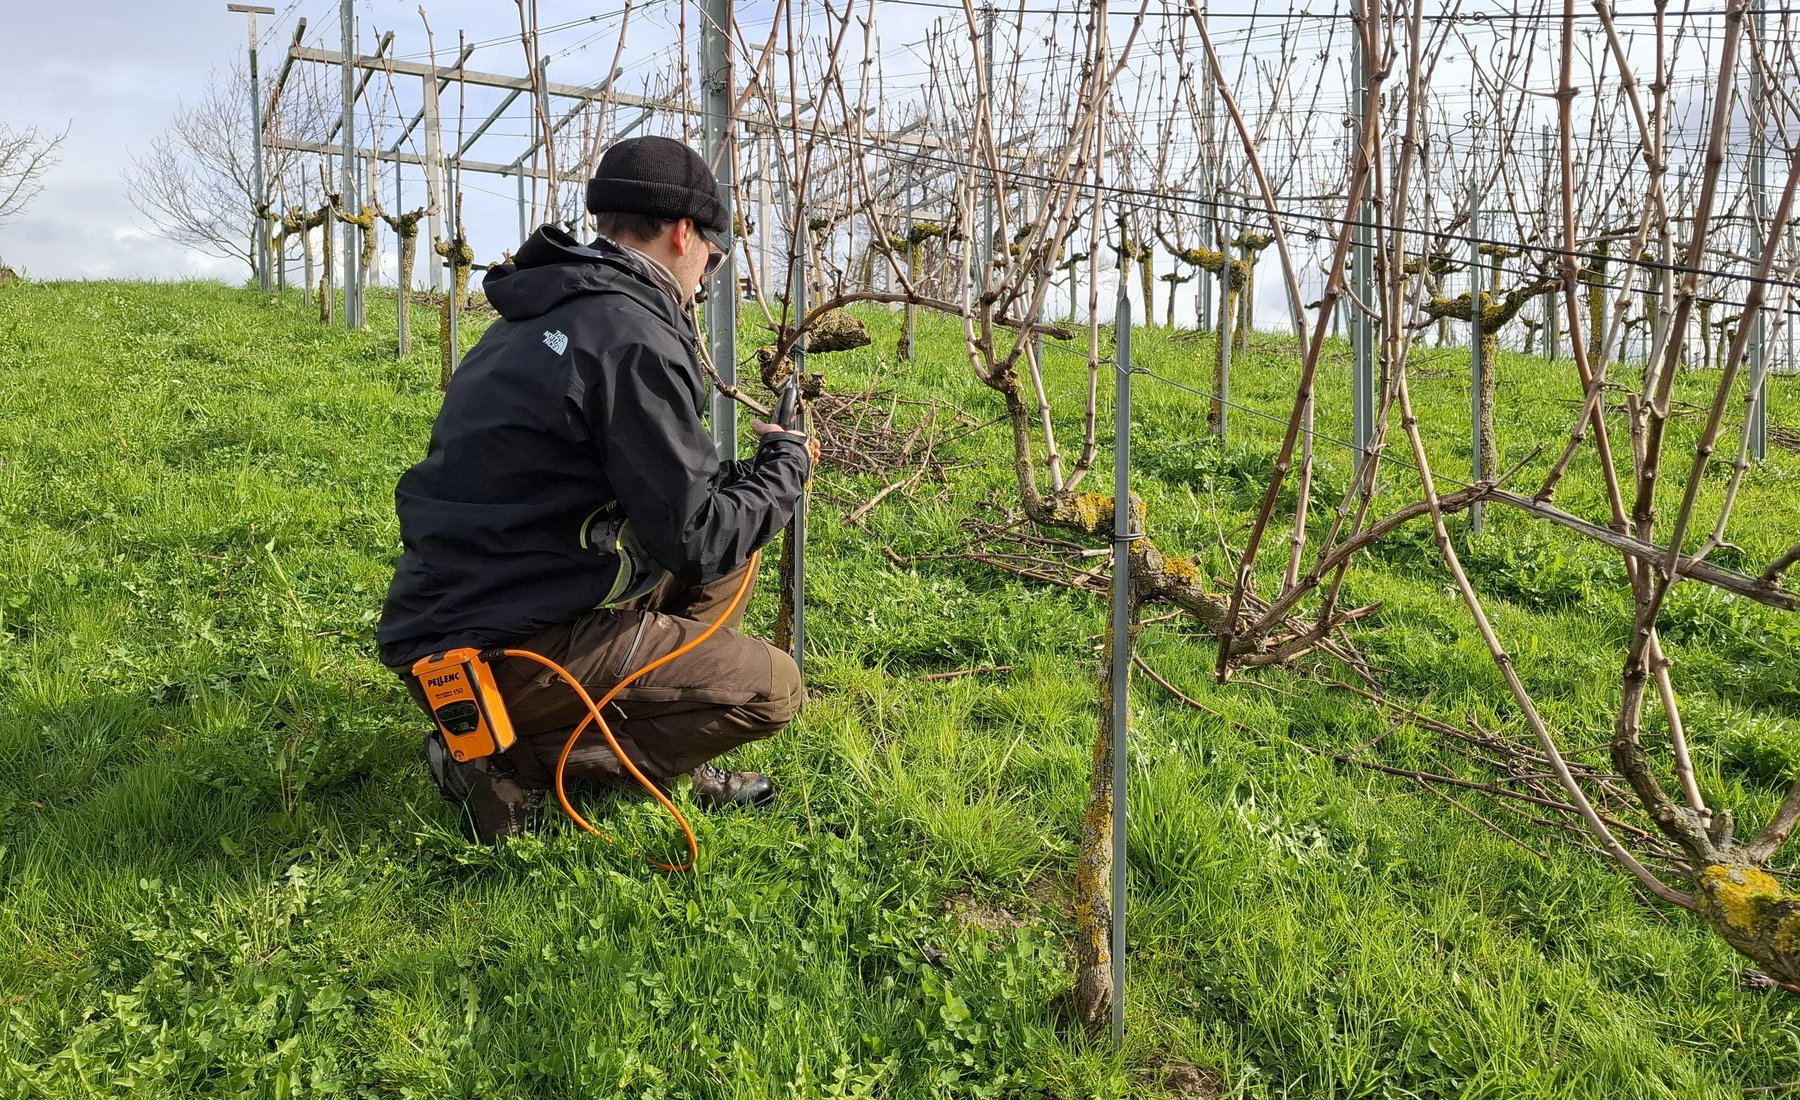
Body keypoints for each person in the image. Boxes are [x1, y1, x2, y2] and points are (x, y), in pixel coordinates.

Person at [378, 135, 813, 843]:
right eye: (716, 255)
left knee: (736, 557)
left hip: (466, 607)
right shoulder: (630, 335)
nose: (708, 276)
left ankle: (638, 716)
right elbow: (698, 535)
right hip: (495, 644)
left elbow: (680, 508)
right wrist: (787, 470)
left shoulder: (548, 310)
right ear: (684, 234)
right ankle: (497, 756)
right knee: (774, 689)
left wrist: (754, 483)